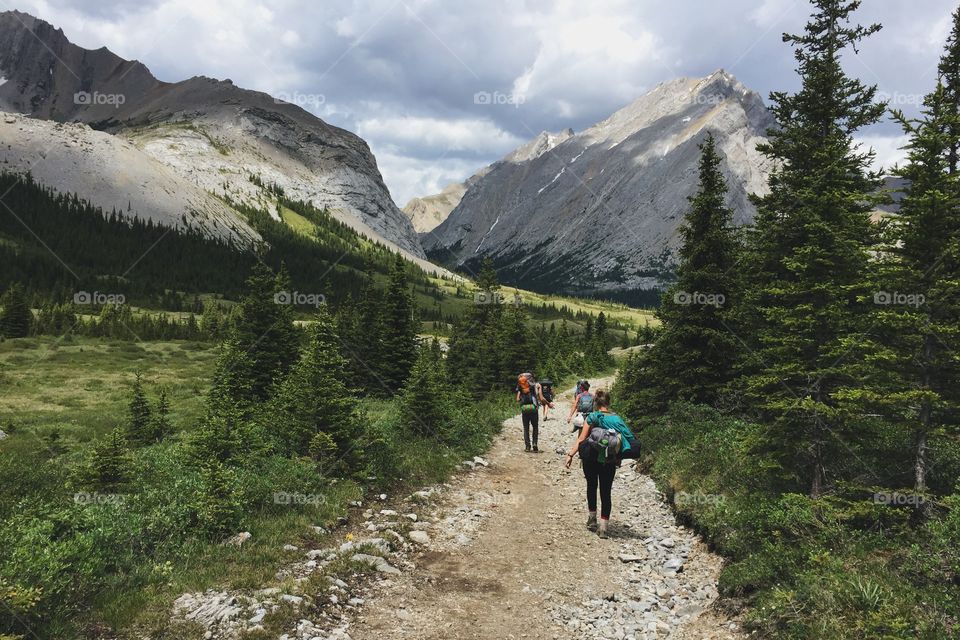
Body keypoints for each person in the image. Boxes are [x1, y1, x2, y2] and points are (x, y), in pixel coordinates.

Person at [565, 389, 633, 538]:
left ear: (595, 403)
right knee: (606, 491)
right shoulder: (617, 420)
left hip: (590, 459)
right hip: (609, 461)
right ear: (608, 403)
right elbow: (628, 439)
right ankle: (603, 528)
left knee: (591, 486)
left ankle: (592, 519)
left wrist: (570, 454)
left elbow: (581, 439)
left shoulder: (592, 417)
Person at [516, 372, 544, 452]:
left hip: (525, 409)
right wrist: (548, 404)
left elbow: (517, 399)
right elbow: (541, 398)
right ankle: (535, 444)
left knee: (526, 428)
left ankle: (527, 447)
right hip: (534, 409)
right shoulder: (537, 385)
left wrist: (522, 398)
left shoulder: (521, 387)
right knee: (535, 427)